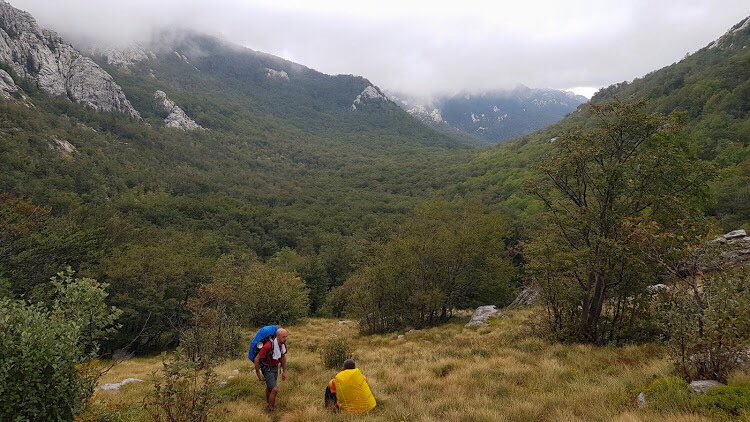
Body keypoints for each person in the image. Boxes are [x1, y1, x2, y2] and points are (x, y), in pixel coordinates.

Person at [253, 327, 288, 412]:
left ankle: (268, 402)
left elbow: (283, 357)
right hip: (267, 369)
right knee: (274, 389)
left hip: (275, 367)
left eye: (286, 336)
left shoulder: (282, 345)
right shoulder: (268, 345)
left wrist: (284, 371)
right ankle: (270, 409)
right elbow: (257, 359)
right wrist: (258, 374)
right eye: (283, 337)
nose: (285, 339)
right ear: (278, 336)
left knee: (270, 388)